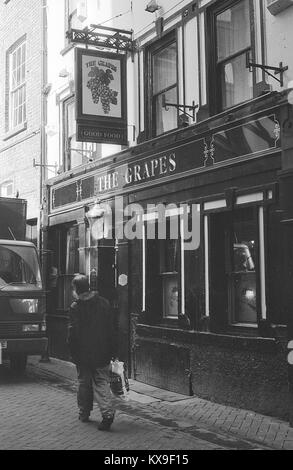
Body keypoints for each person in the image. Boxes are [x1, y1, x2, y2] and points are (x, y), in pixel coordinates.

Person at [67, 274, 116, 431]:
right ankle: (108, 414)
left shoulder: (76, 307)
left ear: (76, 289)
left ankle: (84, 412)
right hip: (102, 352)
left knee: (84, 383)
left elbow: (72, 333)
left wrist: (73, 352)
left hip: (83, 353)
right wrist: (113, 350)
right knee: (101, 382)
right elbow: (112, 329)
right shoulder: (104, 303)